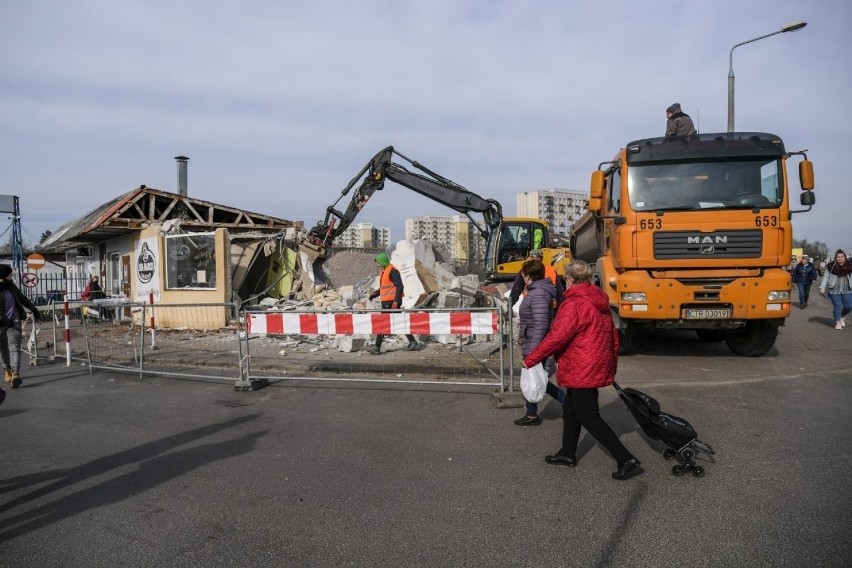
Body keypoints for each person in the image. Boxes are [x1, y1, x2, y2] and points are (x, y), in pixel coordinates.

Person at [524, 259, 642, 481]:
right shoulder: (599, 301)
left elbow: (557, 337)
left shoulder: (574, 303)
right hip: (592, 364)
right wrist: (611, 364)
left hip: (581, 366)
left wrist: (531, 359)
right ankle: (567, 453)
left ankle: (626, 459)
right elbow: (613, 337)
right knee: (570, 409)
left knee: (589, 417)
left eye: (565, 279)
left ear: (569, 279)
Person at [514, 259, 565, 426]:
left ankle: (566, 401)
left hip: (536, 343)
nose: (522, 276)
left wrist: (533, 351)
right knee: (534, 376)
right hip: (533, 341)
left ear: (527, 275)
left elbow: (541, 323)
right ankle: (531, 413)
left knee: (537, 377)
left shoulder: (538, 294)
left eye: (523, 273)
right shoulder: (536, 291)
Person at [365, 253, 422, 354]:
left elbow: (400, 286)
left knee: (383, 323)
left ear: (382, 261)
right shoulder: (385, 271)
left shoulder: (392, 271)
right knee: (399, 322)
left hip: (392, 302)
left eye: (378, 262)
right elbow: (385, 288)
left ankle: (377, 347)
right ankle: (413, 342)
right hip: (388, 302)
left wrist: (396, 301)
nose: (377, 264)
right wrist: (375, 294)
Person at [0, 264, 42, 389]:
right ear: (3, 275)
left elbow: (22, 298)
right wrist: (2, 320)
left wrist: (33, 309)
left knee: (15, 347)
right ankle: (7, 370)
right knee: (3, 349)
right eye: (9, 274)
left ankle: (15, 374)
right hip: (1, 324)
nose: (11, 275)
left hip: (14, 320)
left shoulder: (11, 286)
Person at [818, 249, 852, 330]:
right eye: (838, 257)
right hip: (834, 290)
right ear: (836, 258)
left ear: (845, 257)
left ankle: (842, 316)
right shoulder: (831, 266)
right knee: (837, 305)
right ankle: (837, 322)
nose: (840, 258)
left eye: (842, 257)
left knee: (849, 306)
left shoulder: (850, 266)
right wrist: (822, 288)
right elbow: (825, 277)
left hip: (847, 289)